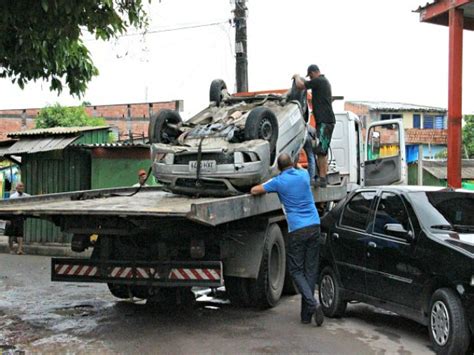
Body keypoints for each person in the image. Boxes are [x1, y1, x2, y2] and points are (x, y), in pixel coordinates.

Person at [250, 153, 324, 326]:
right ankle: (306, 317)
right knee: (310, 271)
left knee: (296, 271)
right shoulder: (304, 175)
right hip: (314, 225)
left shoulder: (279, 181)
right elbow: (300, 168)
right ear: (292, 163)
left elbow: (255, 190)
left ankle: (313, 304)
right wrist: (296, 164)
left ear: (279, 167)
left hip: (297, 229)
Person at [293, 64, 336, 188]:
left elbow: (301, 85)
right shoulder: (322, 82)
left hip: (325, 121)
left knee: (321, 151)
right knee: (322, 150)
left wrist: (296, 76)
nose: (310, 78)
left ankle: (322, 179)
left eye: (311, 75)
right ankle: (323, 177)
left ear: (315, 72)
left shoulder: (320, 81)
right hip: (325, 121)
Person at [6, 182, 30, 255]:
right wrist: (8, 219)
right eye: (20, 186)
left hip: (20, 217)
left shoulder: (26, 196)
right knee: (11, 234)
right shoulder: (12, 196)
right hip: (12, 217)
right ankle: (11, 249)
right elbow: (9, 207)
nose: (21, 187)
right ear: (16, 188)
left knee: (20, 234)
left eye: (22, 186)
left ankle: (19, 250)